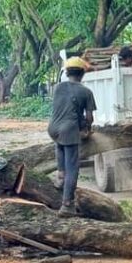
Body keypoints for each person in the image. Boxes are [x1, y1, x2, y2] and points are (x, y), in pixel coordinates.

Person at [47, 57, 97, 217]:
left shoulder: (57, 87)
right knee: (73, 169)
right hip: (68, 130)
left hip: (53, 128)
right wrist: (86, 130)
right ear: (82, 74)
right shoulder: (86, 92)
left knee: (60, 144)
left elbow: (66, 108)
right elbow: (89, 118)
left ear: (67, 72)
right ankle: (67, 205)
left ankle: (60, 177)